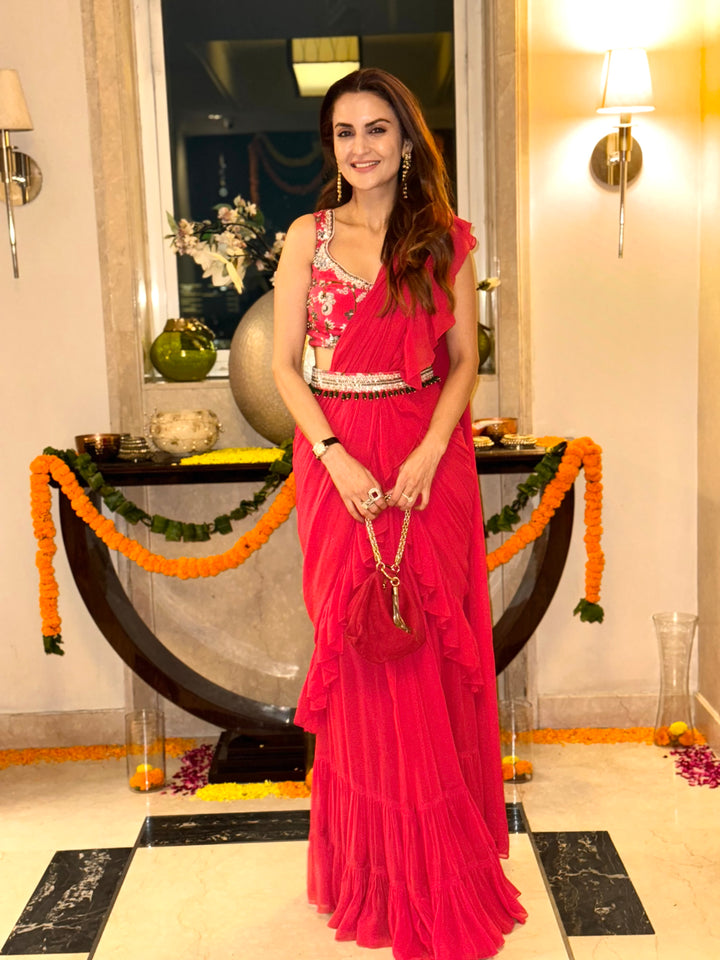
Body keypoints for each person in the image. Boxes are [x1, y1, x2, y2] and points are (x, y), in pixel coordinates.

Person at [272, 67, 526, 960]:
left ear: (408, 140)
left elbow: (465, 361)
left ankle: (433, 869)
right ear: (331, 144)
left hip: (427, 452)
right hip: (337, 454)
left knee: (421, 649)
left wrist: (424, 453)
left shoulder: (444, 240)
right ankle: (370, 869)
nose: (362, 146)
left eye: (378, 129)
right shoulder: (307, 235)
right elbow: (281, 369)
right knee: (360, 651)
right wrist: (335, 457)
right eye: (345, 132)